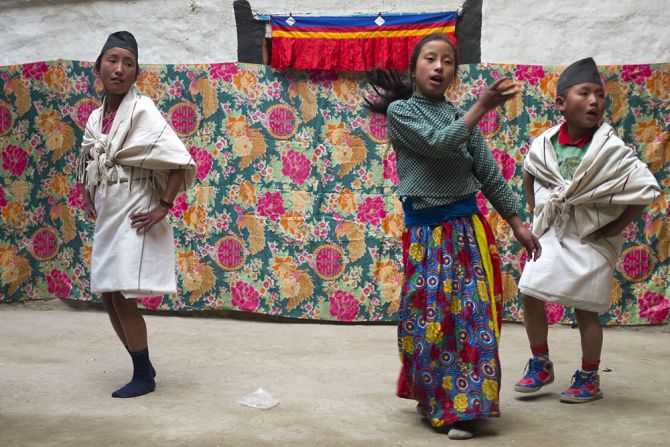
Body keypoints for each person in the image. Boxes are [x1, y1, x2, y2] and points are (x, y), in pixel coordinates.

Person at [366, 33, 541, 439]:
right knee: (432, 321)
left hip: (467, 232)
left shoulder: (460, 116)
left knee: (472, 319)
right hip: (427, 235)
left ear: (453, 74)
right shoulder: (401, 113)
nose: (439, 66)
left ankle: (467, 405)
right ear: (415, 69)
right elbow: (439, 146)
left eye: (447, 61)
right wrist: (481, 106)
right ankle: (438, 400)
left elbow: (487, 172)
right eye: (430, 59)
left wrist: (517, 223)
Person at [515, 57, 661, 403]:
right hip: (554, 231)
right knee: (529, 292)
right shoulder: (546, 142)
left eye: (600, 94)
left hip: (591, 236)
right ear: (561, 104)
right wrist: (536, 208)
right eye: (585, 93)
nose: (595, 100)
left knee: (585, 308)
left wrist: (614, 228)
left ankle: (589, 376)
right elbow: (530, 169)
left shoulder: (611, 149)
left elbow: (643, 189)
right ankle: (540, 363)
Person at [76, 31, 196, 398]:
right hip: (109, 213)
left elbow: (179, 161)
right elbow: (90, 158)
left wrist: (164, 206)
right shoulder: (97, 118)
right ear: (98, 68)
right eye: (112, 61)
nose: (119, 69)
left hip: (135, 210)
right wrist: (87, 191)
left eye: (128, 64)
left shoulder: (142, 110)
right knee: (108, 295)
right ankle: (141, 363)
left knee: (123, 294)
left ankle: (143, 375)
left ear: (136, 74)